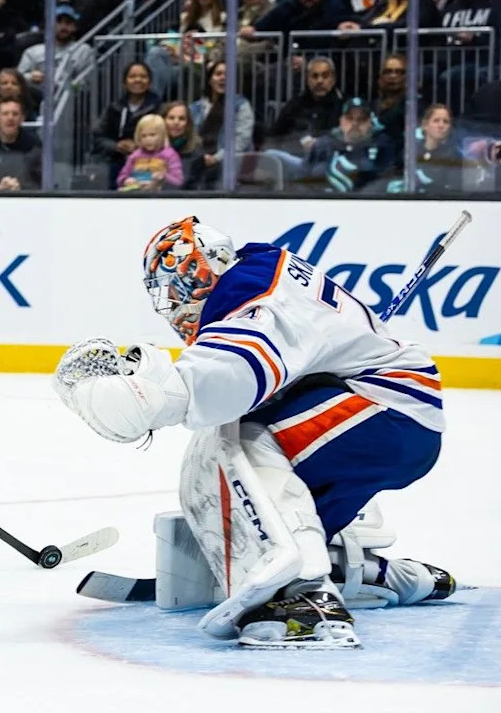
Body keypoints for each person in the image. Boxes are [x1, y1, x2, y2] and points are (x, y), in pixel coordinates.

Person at [53, 215, 459, 648]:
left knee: (239, 444)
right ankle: (370, 572)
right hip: (386, 414)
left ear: (205, 264)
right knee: (252, 457)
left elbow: (223, 379)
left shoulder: (251, 289)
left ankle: (304, 591)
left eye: (177, 286)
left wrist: (135, 391)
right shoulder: (266, 275)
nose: (174, 303)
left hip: (382, 413)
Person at [299, 97, 395, 193]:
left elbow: (387, 179)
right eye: (349, 118)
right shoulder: (323, 144)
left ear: (370, 122)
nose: (355, 123)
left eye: (361, 119)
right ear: (341, 121)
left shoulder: (382, 145)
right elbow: (303, 176)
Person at [92, 62, 162, 189]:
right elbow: (98, 136)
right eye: (132, 76)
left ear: (150, 82)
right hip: (117, 163)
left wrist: (141, 146)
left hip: (151, 164)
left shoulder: (159, 107)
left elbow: (165, 138)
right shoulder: (114, 107)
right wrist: (116, 146)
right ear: (124, 82)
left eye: (143, 76)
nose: (138, 80)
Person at [189, 59, 255, 189]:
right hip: (199, 160)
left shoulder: (241, 105)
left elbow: (241, 140)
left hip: (229, 163)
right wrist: (200, 157)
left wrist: (217, 158)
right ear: (210, 79)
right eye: (218, 74)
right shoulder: (196, 107)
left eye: (227, 75)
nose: (223, 78)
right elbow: (189, 137)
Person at [389, 103, 465, 194]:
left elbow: (453, 189)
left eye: (446, 122)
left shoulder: (454, 155)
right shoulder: (410, 150)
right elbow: (394, 176)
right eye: (436, 121)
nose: (441, 125)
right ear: (425, 125)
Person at [17, 4, 95, 89]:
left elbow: (88, 81)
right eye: (58, 21)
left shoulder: (83, 50)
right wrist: (31, 77)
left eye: (68, 22)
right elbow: (18, 78)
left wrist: (68, 87)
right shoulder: (32, 51)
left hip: (71, 97)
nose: (63, 26)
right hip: (38, 95)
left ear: (74, 27)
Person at [0, 96, 41, 191]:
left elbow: (41, 186)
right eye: (5, 114)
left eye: (15, 114)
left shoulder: (34, 147)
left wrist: (21, 189)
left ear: (22, 118)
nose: (10, 118)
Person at [116, 114, 183, 191]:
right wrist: (126, 180)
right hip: (136, 195)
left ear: (162, 135)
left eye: (152, 135)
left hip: (161, 197)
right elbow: (121, 178)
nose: (148, 139)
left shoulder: (170, 154)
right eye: (143, 136)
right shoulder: (135, 156)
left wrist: (164, 177)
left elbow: (178, 181)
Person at [162, 101, 206, 190]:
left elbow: (180, 184)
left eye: (181, 119)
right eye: (171, 118)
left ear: (188, 124)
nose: (176, 122)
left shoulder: (195, 152)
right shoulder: (152, 147)